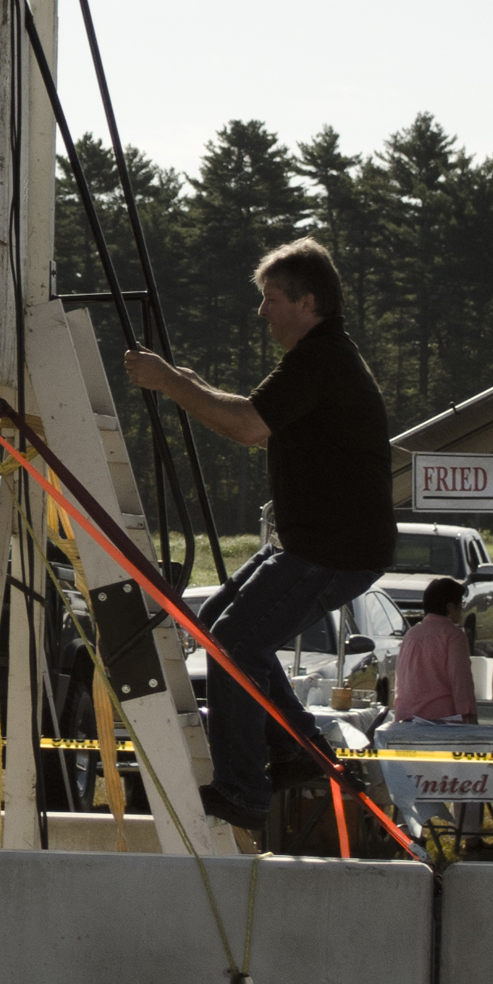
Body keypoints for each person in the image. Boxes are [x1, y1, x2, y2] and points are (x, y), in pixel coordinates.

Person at [125, 238, 396, 838]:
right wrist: (187, 383)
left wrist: (170, 383)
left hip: (333, 546)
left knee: (234, 642)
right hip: (321, 542)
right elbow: (255, 415)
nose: (262, 311)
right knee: (217, 620)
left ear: (307, 302)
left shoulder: (319, 360)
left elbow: (247, 425)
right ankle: (295, 746)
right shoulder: (323, 358)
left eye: (271, 298)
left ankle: (244, 790)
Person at [393, 574, 477, 723]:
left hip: (405, 716)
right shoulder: (454, 635)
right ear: (450, 607)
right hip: (442, 719)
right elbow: (460, 679)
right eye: (461, 604)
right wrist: (468, 714)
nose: (461, 610)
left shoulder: (411, 633)